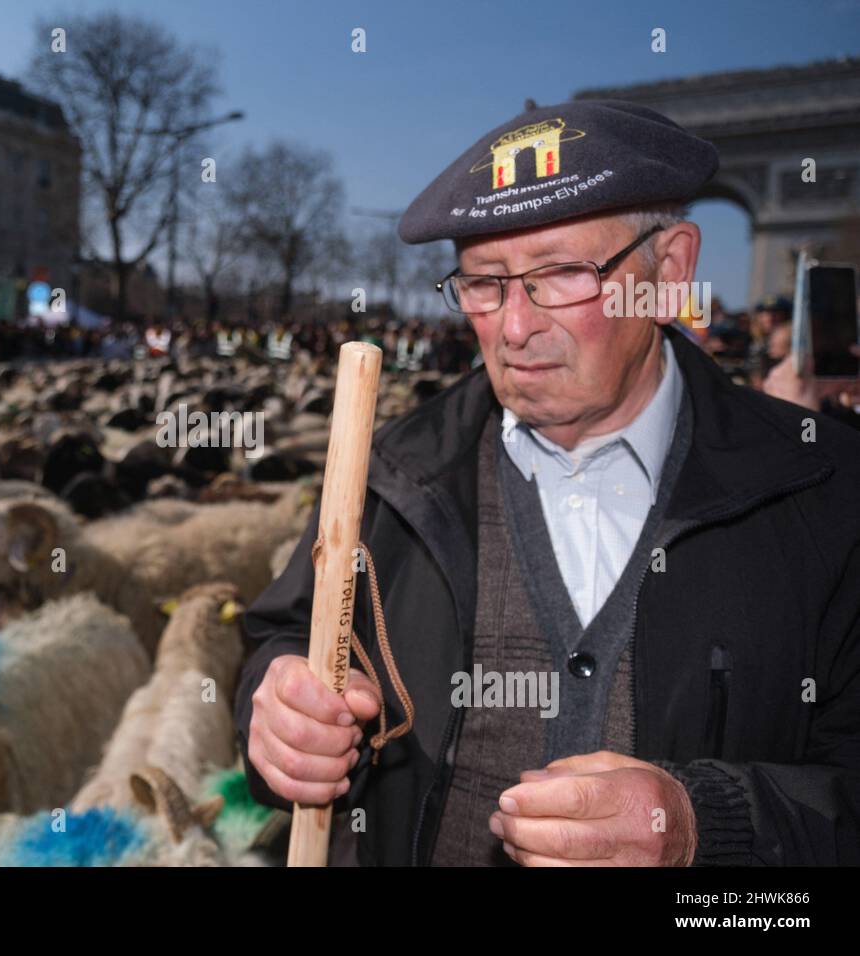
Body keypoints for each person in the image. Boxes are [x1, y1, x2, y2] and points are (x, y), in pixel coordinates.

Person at [236, 99, 860, 866]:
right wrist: (276, 710)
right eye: (485, 283)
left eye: (561, 274)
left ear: (669, 273)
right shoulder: (384, 474)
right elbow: (288, 635)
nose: (515, 327)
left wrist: (706, 824)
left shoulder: (826, 491)